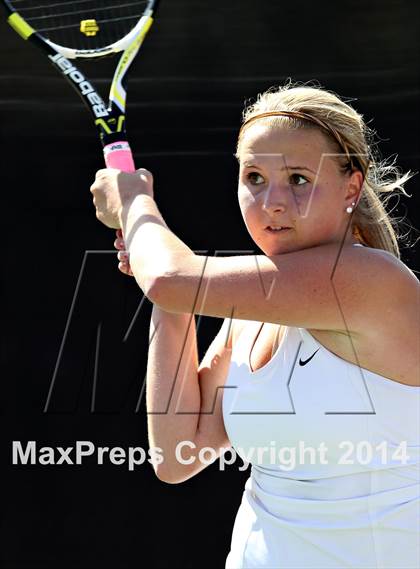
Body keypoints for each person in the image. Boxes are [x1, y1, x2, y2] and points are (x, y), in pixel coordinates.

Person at [90, 81, 420, 569]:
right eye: (255, 178)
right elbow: (178, 456)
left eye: (299, 179)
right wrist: (170, 291)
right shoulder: (248, 318)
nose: (273, 202)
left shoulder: (373, 280)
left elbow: (170, 277)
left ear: (352, 186)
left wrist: (137, 207)